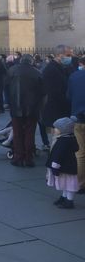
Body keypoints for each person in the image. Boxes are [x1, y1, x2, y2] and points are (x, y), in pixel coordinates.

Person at [6, 54, 45, 167]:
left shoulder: (12, 70)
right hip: (32, 108)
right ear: (31, 61)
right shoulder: (37, 72)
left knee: (17, 133)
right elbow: (43, 92)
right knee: (29, 133)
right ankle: (28, 157)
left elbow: (6, 87)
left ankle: (18, 156)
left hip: (16, 106)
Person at [42, 45, 74, 144]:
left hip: (61, 109)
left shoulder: (61, 68)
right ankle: (54, 158)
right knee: (56, 138)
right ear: (60, 55)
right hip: (56, 110)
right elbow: (55, 92)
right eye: (68, 55)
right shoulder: (51, 69)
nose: (70, 57)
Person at [46, 117, 80, 209]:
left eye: (57, 128)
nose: (54, 130)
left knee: (68, 184)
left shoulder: (62, 141)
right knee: (66, 183)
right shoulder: (70, 138)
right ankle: (64, 198)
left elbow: (58, 155)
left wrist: (55, 166)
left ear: (63, 130)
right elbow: (76, 148)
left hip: (64, 166)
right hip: (69, 166)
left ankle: (69, 201)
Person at [67, 56, 85, 194]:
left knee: (80, 153)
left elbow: (69, 96)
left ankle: (80, 183)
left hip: (78, 117)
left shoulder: (74, 76)